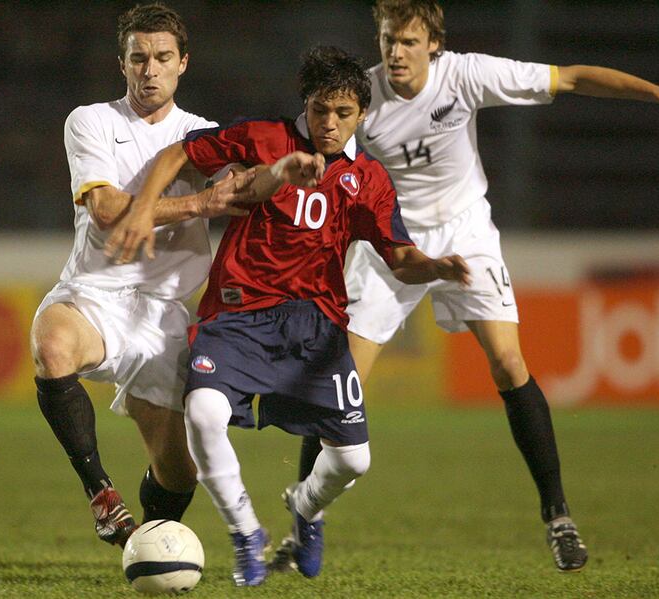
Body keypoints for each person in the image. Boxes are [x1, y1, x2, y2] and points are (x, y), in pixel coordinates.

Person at [276, 0, 659, 574]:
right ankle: (304, 528)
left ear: (434, 46)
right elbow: (302, 152)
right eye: (388, 39)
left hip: (466, 235)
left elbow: (569, 77)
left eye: (409, 42)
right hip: (392, 246)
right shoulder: (361, 99)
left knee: (507, 363)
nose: (396, 52)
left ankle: (558, 517)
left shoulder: (466, 75)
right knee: (339, 386)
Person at [108, 45, 470, 586]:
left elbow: (401, 259)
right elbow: (179, 154)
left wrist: (437, 266)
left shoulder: (368, 179)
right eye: (320, 109)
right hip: (237, 315)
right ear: (306, 103)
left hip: (316, 328)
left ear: (362, 116)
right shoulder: (264, 138)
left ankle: (304, 505)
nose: (328, 123)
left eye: (343, 114)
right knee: (204, 416)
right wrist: (142, 208)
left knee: (353, 462)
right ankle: (246, 533)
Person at [30, 2, 260, 548]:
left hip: (165, 314)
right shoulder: (91, 120)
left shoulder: (202, 133)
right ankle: (102, 494)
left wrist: (284, 172)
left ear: (183, 63)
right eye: (139, 58)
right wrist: (203, 203)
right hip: (96, 295)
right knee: (52, 344)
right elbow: (108, 211)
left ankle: (155, 547)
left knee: (179, 472)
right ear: (122, 63)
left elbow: (245, 190)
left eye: (161, 57)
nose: (149, 69)